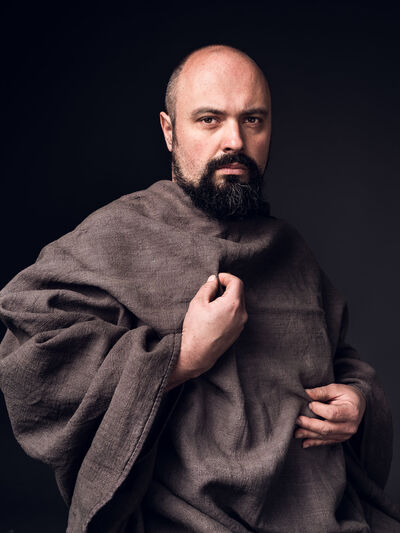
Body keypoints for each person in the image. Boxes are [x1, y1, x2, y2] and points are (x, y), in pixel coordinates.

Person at [0, 44, 399, 532]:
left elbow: (339, 357)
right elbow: (31, 356)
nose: (235, 141)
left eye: (253, 120)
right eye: (210, 120)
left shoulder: (291, 250)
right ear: (169, 131)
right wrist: (182, 356)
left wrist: (358, 399)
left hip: (323, 515)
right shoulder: (120, 234)